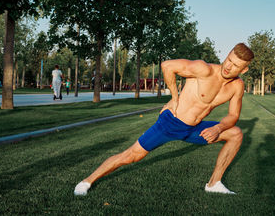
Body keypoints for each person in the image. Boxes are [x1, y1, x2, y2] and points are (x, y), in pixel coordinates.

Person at [74, 43, 254, 196]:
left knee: (235, 134)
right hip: (171, 123)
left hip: (193, 128)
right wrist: (175, 97)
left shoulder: (237, 86)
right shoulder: (204, 69)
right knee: (130, 156)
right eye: (229, 59)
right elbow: (167, 65)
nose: (229, 66)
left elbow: (233, 116)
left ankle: (213, 184)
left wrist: (219, 128)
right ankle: (87, 181)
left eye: (236, 65)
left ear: (244, 70)